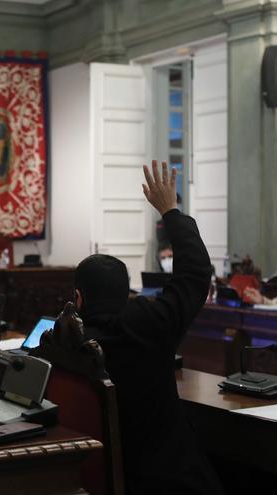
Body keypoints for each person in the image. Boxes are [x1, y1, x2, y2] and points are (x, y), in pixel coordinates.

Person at [74, 161, 223, 494]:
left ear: (78, 299)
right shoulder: (148, 327)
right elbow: (195, 276)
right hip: (170, 481)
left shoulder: (64, 341)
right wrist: (170, 211)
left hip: (91, 481)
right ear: (127, 294)